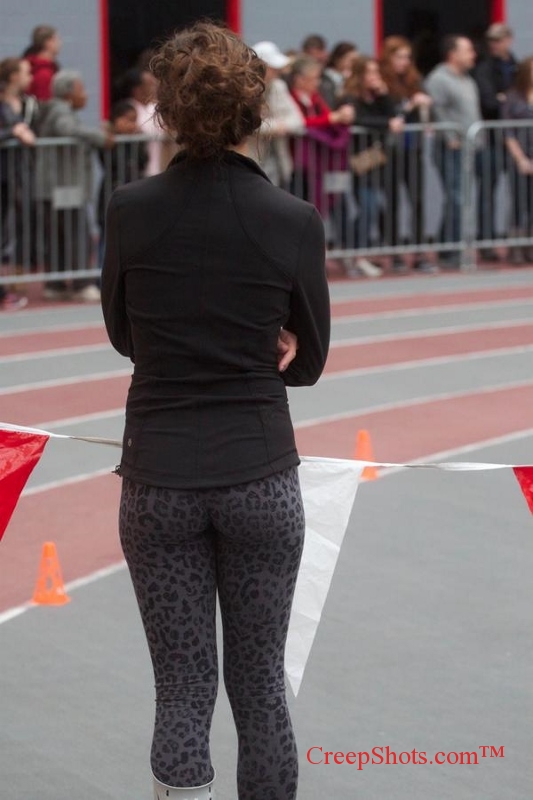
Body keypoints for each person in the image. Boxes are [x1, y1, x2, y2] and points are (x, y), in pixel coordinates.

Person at [100, 21, 330, 800]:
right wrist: (282, 337)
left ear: (165, 111)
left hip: (159, 479)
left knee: (181, 691)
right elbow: (312, 367)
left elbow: (121, 334)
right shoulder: (291, 219)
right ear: (253, 112)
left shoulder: (130, 209)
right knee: (260, 691)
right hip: (260, 475)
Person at [35, 69, 113, 301]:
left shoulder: (56, 109)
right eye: (80, 89)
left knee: (59, 236)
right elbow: (67, 129)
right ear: (68, 93)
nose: (85, 94)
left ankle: (56, 284)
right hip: (64, 186)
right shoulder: (61, 111)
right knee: (77, 233)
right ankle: (81, 284)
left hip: (57, 186)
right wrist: (100, 137)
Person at [288, 56, 360, 275]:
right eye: (312, 79)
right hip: (300, 165)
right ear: (299, 79)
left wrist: (338, 117)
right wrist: (332, 119)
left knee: (335, 207)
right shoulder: (292, 98)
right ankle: (305, 260)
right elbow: (300, 124)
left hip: (323, 165)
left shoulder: (316, 98)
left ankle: (340, 255)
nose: (316, 83)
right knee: (305, 212)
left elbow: (328, 117)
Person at [342, 55, 405, 275]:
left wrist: (384, 94)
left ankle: (360, 253)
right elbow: (356, 119)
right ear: (359, 75)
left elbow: (395, 114)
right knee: (366, 206)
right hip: (358, 159)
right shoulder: (350, 97)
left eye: (376, 73)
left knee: (374, 206)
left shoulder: (376, 97)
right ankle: (356, 254)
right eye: (370, 73)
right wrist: (386, 123)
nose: (374, 77)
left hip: (376, 159)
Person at [379, 36, 437, 273]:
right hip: (391, 150)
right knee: (391, 201)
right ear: (389, 57)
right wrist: (410, 105)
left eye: (407, 57)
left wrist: (425, 107)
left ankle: (421, 251)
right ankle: (394, 252)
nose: (404, 62)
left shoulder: (415, 79)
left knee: (417, 200)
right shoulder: (382, 81)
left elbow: (425, 109)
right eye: (399, 56)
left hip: (413, 147)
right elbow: (389, 113)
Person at [425, 35, 482, 268]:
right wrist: (450, 137)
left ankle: (451, 244)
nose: (473, 55)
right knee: (457, 197)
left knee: (463, 198)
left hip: (470, 147)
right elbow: (435, 110)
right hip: (451, 148)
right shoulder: (439, 78)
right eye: (467, 50)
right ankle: (450, 249)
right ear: (452, 54)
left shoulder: (467, 79)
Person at [473, 23, 518, 259]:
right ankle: (486, 241)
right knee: (487, 192)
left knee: (520, 192)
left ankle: (519, 241)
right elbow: (489, 101)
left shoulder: (516, 65)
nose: (494, 44)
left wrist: (507, 100)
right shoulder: (484, 68)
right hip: (491, 140)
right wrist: (507, 102)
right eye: (491, 40)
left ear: (509, 40)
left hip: (516, 140)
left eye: (499, 40)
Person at [0, 57, 38, 308]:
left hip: (12, 176)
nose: (31, 76)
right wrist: (13, 132)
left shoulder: (26, 104)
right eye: (26, 72)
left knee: (7, 232)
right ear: (13, 76)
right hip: (3, 174)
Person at [250, 41, 305, 187]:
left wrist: (275, 126)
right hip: (252, 160)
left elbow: (298, 120)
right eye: (273, 68)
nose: (277, 72)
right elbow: (247, 125)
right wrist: (275, 126)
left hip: (278, 160)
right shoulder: (244, 88)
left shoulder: (278, 86)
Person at [97, 100, 148, 255]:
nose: (131, 125)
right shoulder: (108, 140)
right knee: (108, 237)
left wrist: (138, 139)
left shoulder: (137, 140)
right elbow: (109, 162)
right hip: (111, 191)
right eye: (127, 119)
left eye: (134, 120)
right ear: (115, 119)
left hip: (133, 191)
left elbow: (143, 161)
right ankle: (103, 274)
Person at [501, 57, 533, 264]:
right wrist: (521, 158)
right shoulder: (513, 98)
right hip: (520, 156)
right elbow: (508, 132)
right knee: (519, 203)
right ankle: (515, 246)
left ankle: (530, 244)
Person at [119, 68, 163, 176]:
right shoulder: (127, 108)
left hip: (161, 166)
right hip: (139, 171)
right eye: (150, 84)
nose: (154, 88)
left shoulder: (156, 107)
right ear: (137, 90)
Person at [23, 25, 61, 101]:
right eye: (57, 39)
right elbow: (45, 104)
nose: (60, 43)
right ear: (49, 42)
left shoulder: (29, 66)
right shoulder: (44, 74)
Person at [319, 41, 358, 109]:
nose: (354, 65)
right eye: (352, 61)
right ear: (338, 59)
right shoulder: (325, 81)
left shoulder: (352, 78)